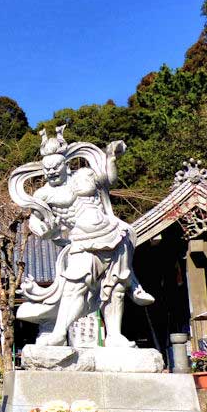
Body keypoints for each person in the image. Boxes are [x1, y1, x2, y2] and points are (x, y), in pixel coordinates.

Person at [9, 126, 154, 347]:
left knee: (116, 287)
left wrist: (112, 157)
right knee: (74, 286)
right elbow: (36, 222)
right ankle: (59, 333)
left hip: (113, 233)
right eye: (47, 169)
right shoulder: (43, 194)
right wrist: (46, 229)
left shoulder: (85, 174)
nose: (51, 172)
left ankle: (115, 334)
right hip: (82, 241)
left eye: (56, 167)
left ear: (65, 164)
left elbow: (109, 179)